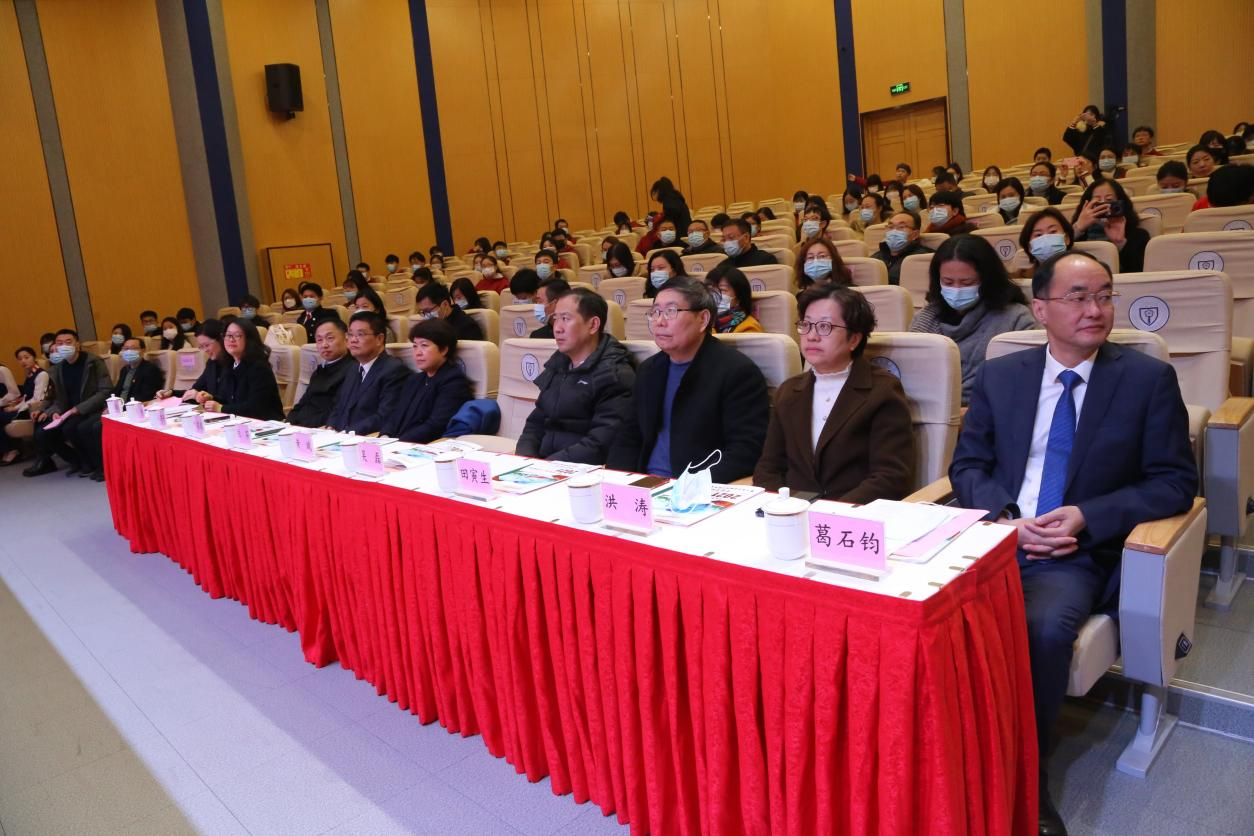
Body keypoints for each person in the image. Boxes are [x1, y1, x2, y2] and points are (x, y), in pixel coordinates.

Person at [949, 251, 1196, 836]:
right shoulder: (1003, 375)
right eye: (1078, 297)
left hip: (1073, 552)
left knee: (1040, 628)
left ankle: (1024, 779)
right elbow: (968, 466)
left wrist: (1087, 515)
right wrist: (1007, 517)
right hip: (996, 535)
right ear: (1040, 309)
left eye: (1104, 296)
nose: (1095, 309)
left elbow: (1175, 482)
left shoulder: (1145, 380)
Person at [754, 284, 914, 500]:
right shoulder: (789, 391)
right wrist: (781, 508)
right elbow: (768, 469)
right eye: (806, 325)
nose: (811, 336)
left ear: (854, 339)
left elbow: (890, 477)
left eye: (824, 327)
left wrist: (827, 513)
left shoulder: (882, 391)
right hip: (790, 511)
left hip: (851, 513)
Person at [607, 278, 768, 481]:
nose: (659, 321)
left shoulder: (737, 372)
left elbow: (746, 450)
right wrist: (615, 481)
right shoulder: (649, 369)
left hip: (693, 488)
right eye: (655, 312)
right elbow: (629, 435)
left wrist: (688, 485)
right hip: (644, 483)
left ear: (703, 319)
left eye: (671, 311)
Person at [910, 236, 1037, 403]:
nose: (956, 289)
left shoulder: (1016, 319)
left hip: (992, 413)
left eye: (967, 282)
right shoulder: (924, 319)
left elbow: (1024, 385)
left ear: (987, 279)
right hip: (929, 410)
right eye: (948, 282)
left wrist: (971, 413)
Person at [516, 288, 636, 464]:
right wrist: (525, 459)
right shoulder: (558, 364)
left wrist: (546, 467)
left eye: (565, 319)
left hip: (582, 470)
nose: (557, 328)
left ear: (593, 325)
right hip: (544, 465)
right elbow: (535, 423)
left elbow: (600, 444)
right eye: (555, 319)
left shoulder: (615, 374)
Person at [23, 329, 111, 478]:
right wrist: (52, 411)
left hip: (90, 408)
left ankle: (92, 463)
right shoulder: (57, 369)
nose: (64, 346)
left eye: (68, 342)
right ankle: (77, 460)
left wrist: (79, 408)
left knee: (71, 428)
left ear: (77, 344)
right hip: (67, 412)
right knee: (43, 433)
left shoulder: (93, 362)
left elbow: (105, 391)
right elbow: (56, 397)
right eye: (59, 343)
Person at [76, 337, 165, 480]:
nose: (128, 351)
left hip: (133, 409)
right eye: (125, 348)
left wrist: (120, 407)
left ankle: (107, 469)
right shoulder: (125, 370)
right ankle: (97, 464)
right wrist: (109, 406)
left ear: (142, 350)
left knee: (97, 427)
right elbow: (117, 391)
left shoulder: (150, 369)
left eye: (133, 348)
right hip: (117, 408)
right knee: (83, 427)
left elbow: (146, 396)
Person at [379, 319, 471, 443]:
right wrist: (385, 436)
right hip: (399, 444)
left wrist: (399, 442)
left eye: (424, 345)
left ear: (444, 350)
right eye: (415, 346)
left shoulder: (454, 382)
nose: (418, 353)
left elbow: (436, 426)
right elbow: (395, 414)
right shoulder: (414, 379)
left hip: (425, 447)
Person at [326, 311, 409, 434]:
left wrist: (347, 432)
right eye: (350, 334)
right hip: (339, 437)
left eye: (360, 334)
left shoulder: (394, 370)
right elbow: (339, 405)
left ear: (379, 339)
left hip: (365, 438)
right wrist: (331, 426)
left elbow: (384, 416)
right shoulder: (353, 367)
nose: (353, 340)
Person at [199, 319, 284, 421]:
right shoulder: (230, 365)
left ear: (249, 339)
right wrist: (212, 398)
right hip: (240, 422)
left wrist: (220, 408)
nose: (231, 339)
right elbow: (231, 400)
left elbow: (255, 407)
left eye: (237, 335)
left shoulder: (259, 367)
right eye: (228, 335)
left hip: (266, 423)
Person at [1070, 178, 1150, 272]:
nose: (1103, 205)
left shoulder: (1139, 235)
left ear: (1121, 203)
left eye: (1109, 200)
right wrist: (1077, 228)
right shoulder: (1076, 236)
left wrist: (1120, 243)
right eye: (1097, 201)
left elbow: (1141, 274)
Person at [287, 318, 351, 428]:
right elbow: (302, 404)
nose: (324, 345)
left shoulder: (352, 370)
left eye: (330, 338)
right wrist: (288, 423)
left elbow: (336, 411)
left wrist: (302, 425)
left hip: (320, 429)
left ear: (346, 338)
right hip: (299, 427)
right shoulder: (319, 370)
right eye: (319, 340)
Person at [0, 347, 50, 466]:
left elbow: (37, 399)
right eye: (20, 359)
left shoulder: (41, 374)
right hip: (24, 408)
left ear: (34, 357)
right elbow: (27, 397)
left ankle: (12, 450)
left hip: (32, 410)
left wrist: (15, 408)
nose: (23, 361)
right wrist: (15, 406)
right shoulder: (29, 374)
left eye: (27, 357)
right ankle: (9, 450)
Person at [868, 208, 933, 285]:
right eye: (891, 227)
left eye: (901, 227)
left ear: (915, 234)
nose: (894, 231)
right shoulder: (875, 258)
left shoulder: (924, 259)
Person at [416, 282, 483, 342]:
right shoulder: (428, 327)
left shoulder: (467, 327)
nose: (426, 316)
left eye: (428, 311)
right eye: (423, 312)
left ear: (445, 304)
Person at [707, 264, 763, 333]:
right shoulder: (702, 323)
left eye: (722, 290)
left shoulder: (750, 327)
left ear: (739, 296)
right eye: (710, 290)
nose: (714, 295)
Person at [1020, 208, 1075, 275]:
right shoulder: (1022, 278)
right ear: (1029, 247)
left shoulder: (1083, 270)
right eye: (1038, 235)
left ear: (1066, 238)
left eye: (1053, 231)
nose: (1046, 238)